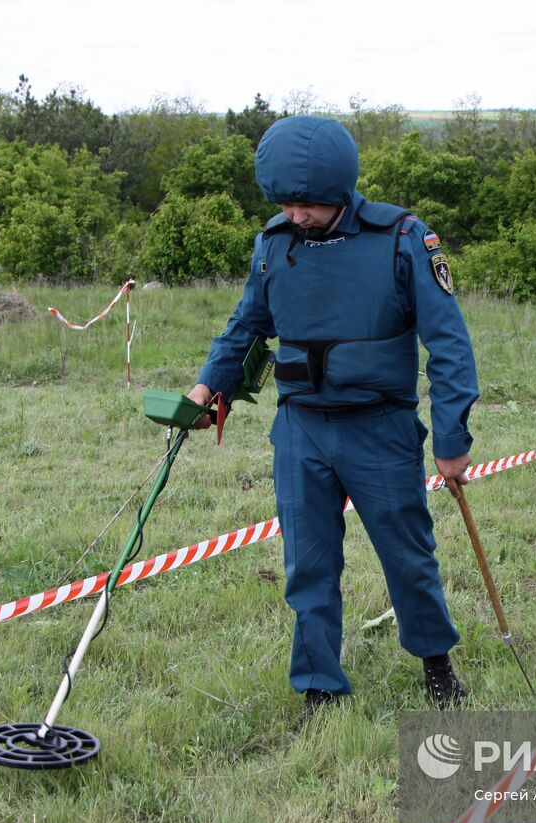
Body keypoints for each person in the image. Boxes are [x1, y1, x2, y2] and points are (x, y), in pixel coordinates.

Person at [185, 115, 480, 715]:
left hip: (380, 428)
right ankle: (319, 686)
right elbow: (246, 325)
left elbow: (448, 343)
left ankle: (435, 662)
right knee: (308, 566)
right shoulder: (273, 244)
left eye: (309, 205)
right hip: (300, 430)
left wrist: (451, 437)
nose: (298, 216)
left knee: (407, 556)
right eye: (287, 205)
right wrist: (202, 389)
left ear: (340, 189)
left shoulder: (403, 238)